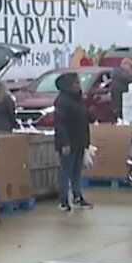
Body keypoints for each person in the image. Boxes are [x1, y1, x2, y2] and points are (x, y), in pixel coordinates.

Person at [54, 72, 94, 211]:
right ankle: (63, 200)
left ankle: (78, 197)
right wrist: (64, 143)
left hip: (79, 141)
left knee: (76, 172)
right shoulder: (62, 101)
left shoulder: (79, 99)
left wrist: (86, 142)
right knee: (66, 172)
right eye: (76, 83)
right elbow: (60, 124)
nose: (79, 85)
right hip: (68, 142)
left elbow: (84, 121)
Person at [110, 58, 132, 123]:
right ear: (125, 64)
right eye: (130, 66)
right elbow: (127, 77)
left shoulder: (121, 72)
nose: (131, 69)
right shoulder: (118, 71)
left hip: (123, 99)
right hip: (118, 98)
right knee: (119, 115)